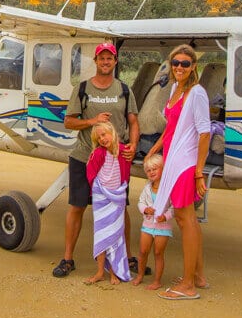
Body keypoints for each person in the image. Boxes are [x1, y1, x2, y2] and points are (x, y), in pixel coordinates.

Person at [52, 42, 140, 278]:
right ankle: (68, 259)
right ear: (96, 61)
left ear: (115, 61)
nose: (105, 62)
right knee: (77, 207)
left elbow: (133, 122)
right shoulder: (82, 89)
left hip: (115, 159)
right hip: (84, 156)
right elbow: (69, 122)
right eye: (101, 59)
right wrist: (92, 122)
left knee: (121, 208)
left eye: (109, 58)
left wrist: (132, 145)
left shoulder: (124, 89)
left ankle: (128, 257)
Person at [147, 44, 210, 300]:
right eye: (176, 63)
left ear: (194, 66)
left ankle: (188, 285)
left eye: (185, 63)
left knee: (186, 221)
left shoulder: (196, 93)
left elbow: (205, 132)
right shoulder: (175, 89)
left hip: (185, 164)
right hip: (174, 160)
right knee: (188, 222)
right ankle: (198, 276)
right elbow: (171, 128)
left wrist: (198, 171)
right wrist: (155, 148)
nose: (180, 67)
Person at [84, 121, 131, 284]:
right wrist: (99, 191)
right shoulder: (98, 154)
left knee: (116, 235)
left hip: (117, 198)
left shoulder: (124, 151)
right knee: (102, 234)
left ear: (112, 132)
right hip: (102, 199)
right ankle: (99, 272)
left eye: (104, 134)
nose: (102, 139)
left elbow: (126, 172)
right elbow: (91, 173)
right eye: (99, 137)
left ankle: (113, 272)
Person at [132, 154, 172, 290]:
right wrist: (145, 210)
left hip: (163, 227)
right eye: (148, 171)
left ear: (163, 169)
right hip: (147, 225)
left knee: (158, 253)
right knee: (143, 251)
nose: (152, 172)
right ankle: (140, 275)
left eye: (155, 169)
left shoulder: (168, 189)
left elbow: (174, 207)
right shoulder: (147, 188)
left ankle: (157, 280)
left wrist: (165, 216)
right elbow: (140, 202)